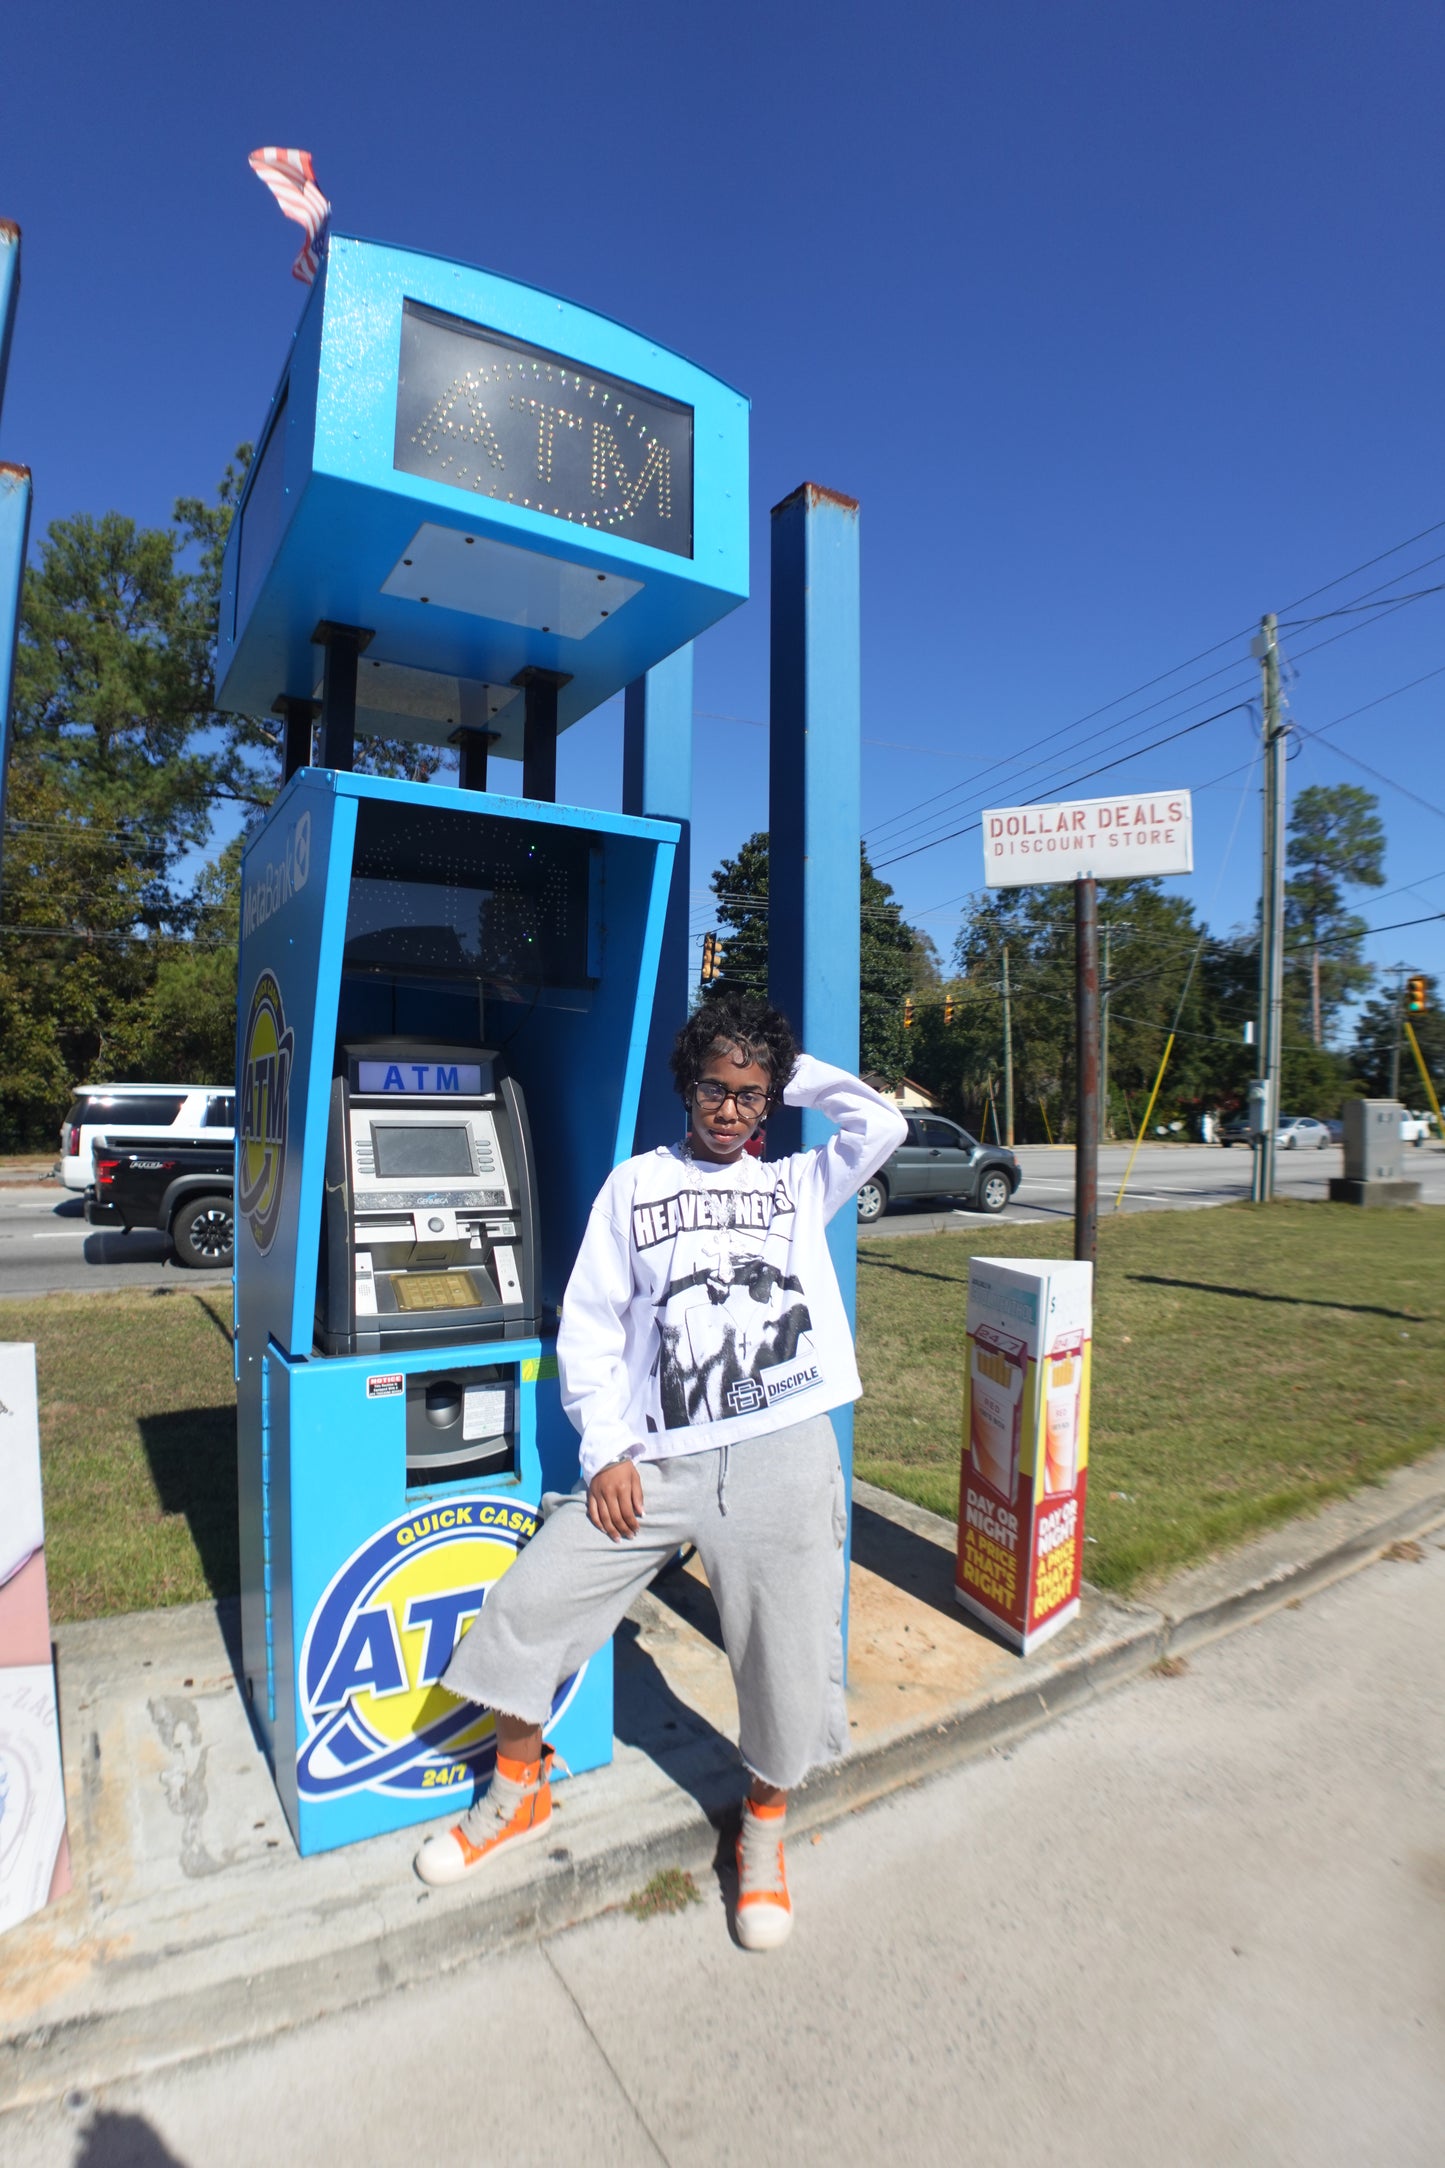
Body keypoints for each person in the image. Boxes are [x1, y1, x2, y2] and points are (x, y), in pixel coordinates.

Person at [413, 991, 907, 1948]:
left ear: (771, 1103)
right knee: (529, 1606)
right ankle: (519, 1791)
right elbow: (591, 1328)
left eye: (750, 1095)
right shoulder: (634, 1186)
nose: (729, 1110)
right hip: (657, 1465)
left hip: (782, 1453)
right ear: (685, 1087)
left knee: (786, 1661)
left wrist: (780, 1061)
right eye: (714, 1088)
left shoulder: (798, 1184)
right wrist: (606, 1453)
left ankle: (761, 1833)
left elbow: (879, 1121)